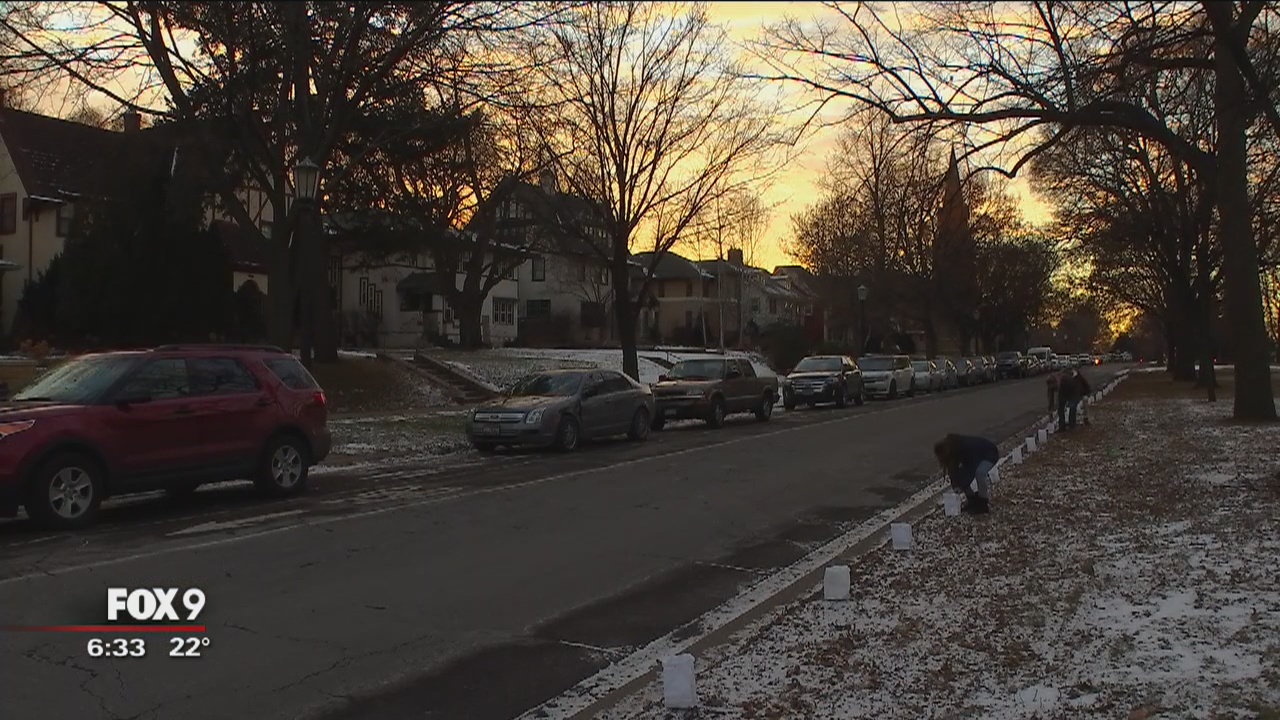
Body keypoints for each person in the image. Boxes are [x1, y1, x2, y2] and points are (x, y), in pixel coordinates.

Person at [933, 433, 999, 514]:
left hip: (990, 454)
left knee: (980, 473)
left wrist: (962, 483)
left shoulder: (965, 447)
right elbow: (953, 469)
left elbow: (972, 468)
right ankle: (972, 500)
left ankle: (983, 503)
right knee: (961, 478)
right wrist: (955, 484)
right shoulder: (953, 450)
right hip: (974, 458)